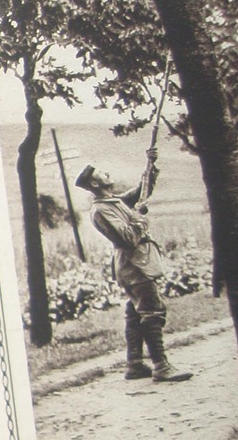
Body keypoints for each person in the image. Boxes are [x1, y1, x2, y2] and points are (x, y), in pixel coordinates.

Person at [75, 153, 192, 383]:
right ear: (95, 184)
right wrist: (139, 218)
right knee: (152, 312)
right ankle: (161, 366)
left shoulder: (114, 201)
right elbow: (128, 238)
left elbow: (140, 193)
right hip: (136, 267)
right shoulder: (101, 210)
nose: (107, 173)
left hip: (136, 265)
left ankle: (135, 364)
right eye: (101, 173)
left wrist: (150, 169)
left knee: (134, 313)